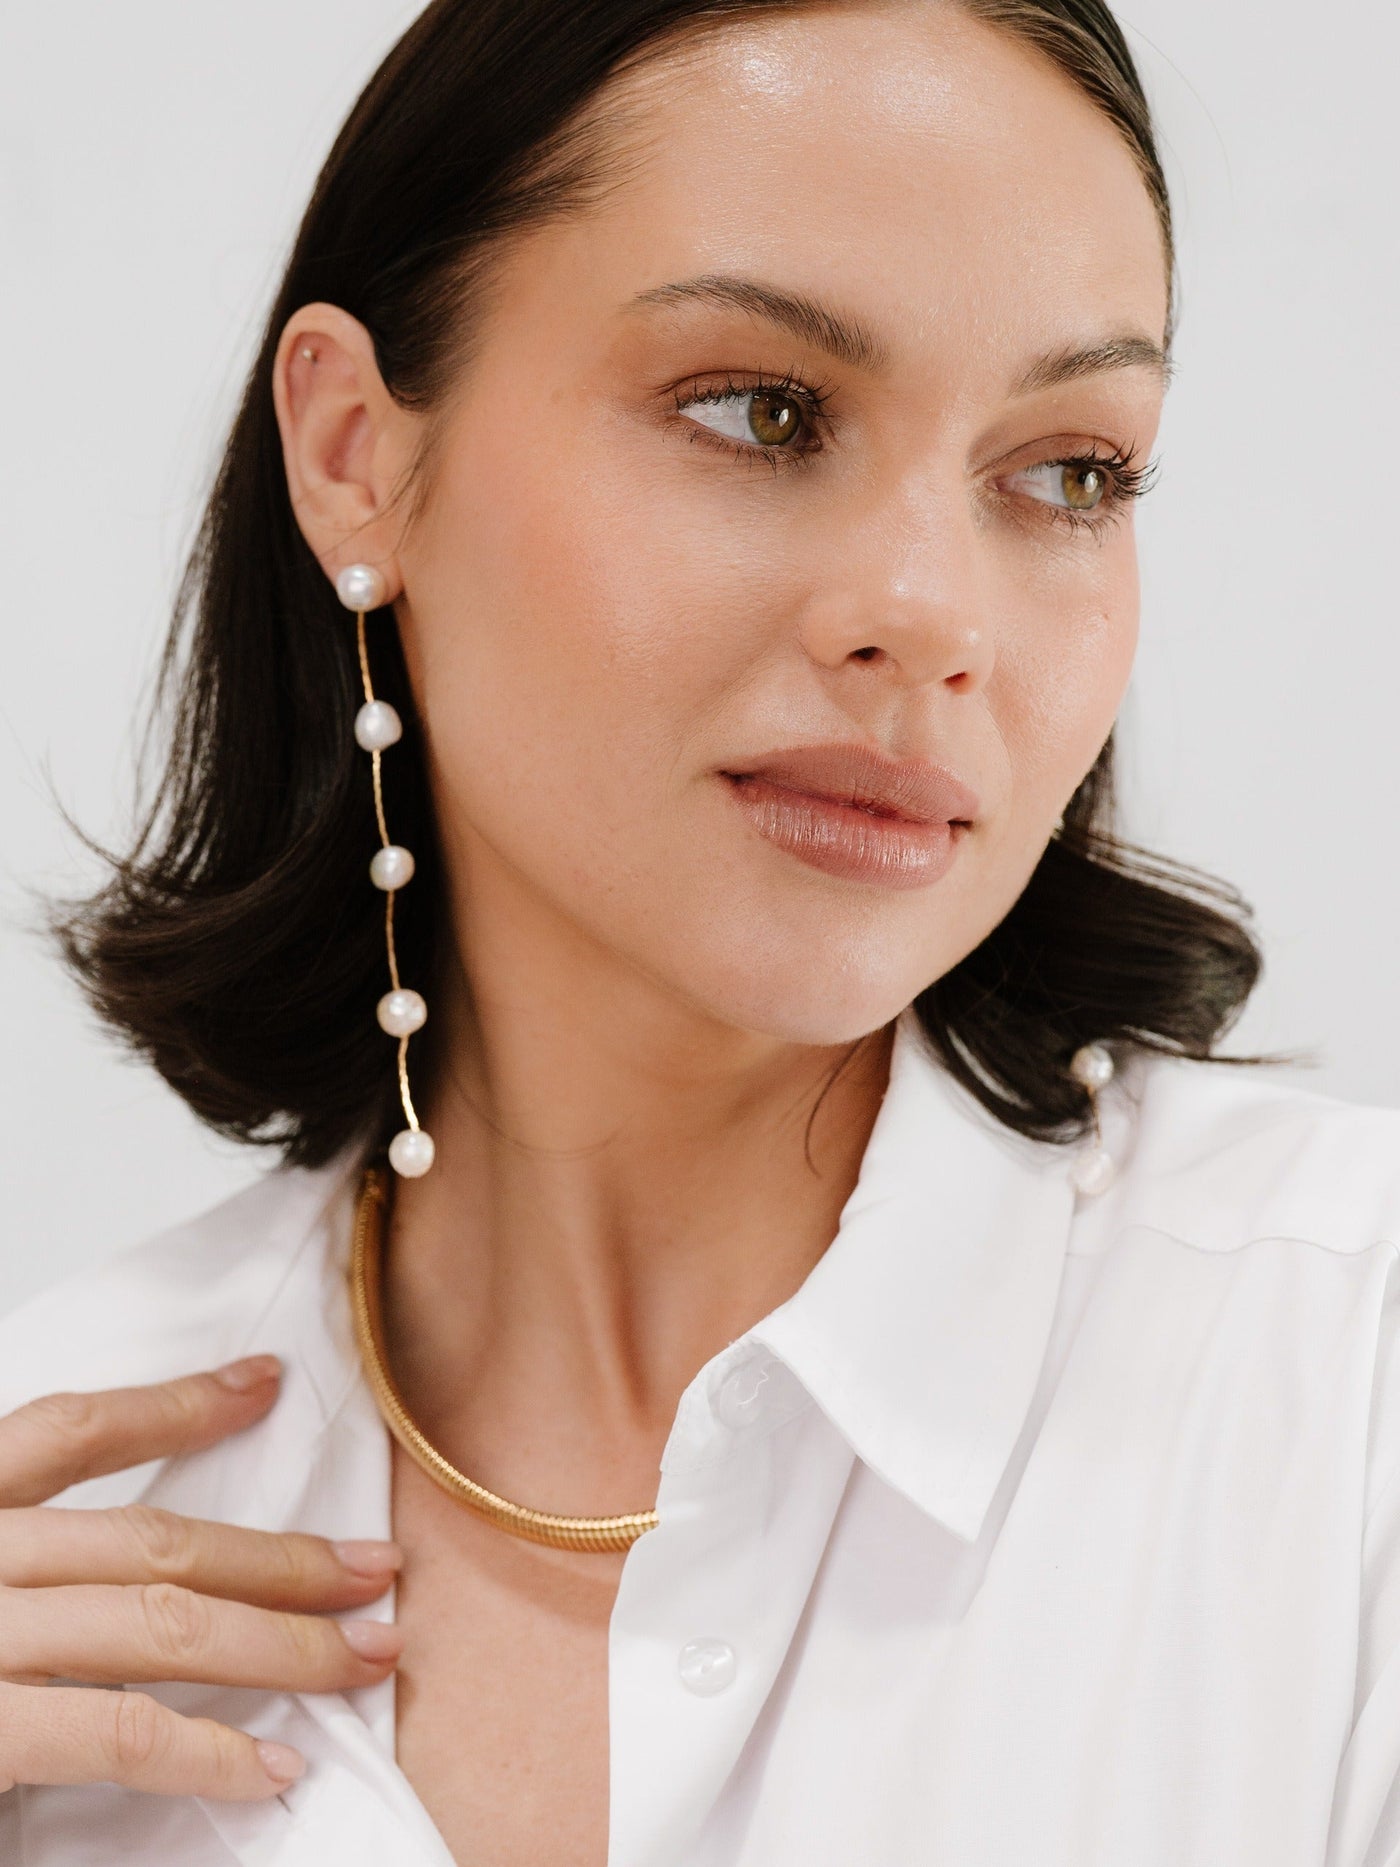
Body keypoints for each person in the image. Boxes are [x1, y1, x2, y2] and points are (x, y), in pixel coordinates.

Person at [2, 0, 1398, 1861]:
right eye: (763, 411)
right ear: (352, 453)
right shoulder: (63, 1490)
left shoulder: (1347, 1387)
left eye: (1072, 470)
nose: (929, 610)